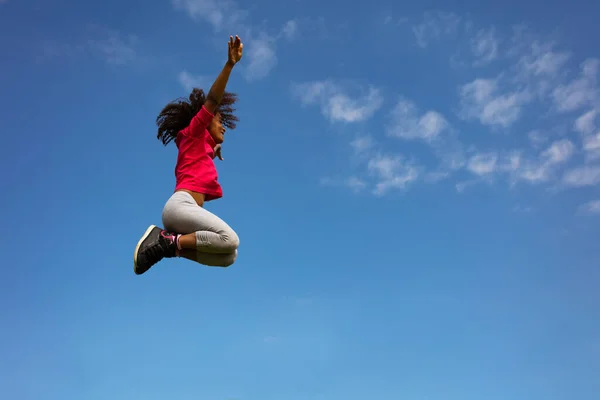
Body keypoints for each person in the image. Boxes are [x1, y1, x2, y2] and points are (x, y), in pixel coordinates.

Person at [133, 35, 244, 275]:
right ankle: (166, 241)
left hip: (185, 214)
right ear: (204, 121)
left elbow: (200, 159)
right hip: (180, 207)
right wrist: (230, 64)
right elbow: (213, 100)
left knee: (229, 256)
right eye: (219, 120)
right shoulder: (193, 132)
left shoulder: (199, 146)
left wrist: (214, 150)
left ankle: (171, 247)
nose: (223, 126)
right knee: (230, 239)